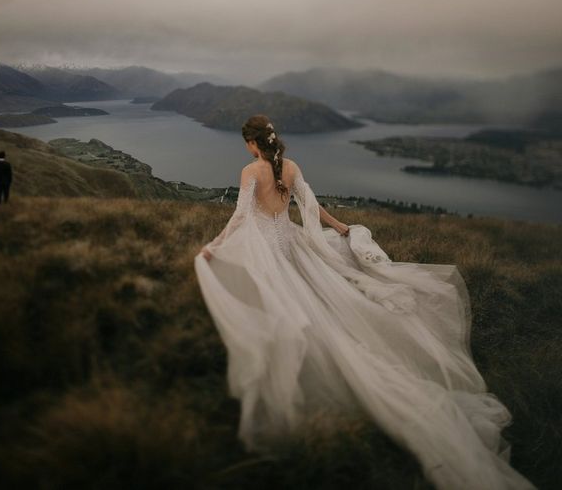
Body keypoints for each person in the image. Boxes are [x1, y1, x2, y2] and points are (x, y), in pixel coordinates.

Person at [193, 114, 535, 490]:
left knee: (288, 304)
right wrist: (337, 226)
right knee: (315, 302)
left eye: (247, 144)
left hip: (271, 252)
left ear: (251, 143)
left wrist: (214, 247)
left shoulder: (250, 171)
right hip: (292, 246)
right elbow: (310, 207)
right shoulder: (289, 167)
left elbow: (240, 218)